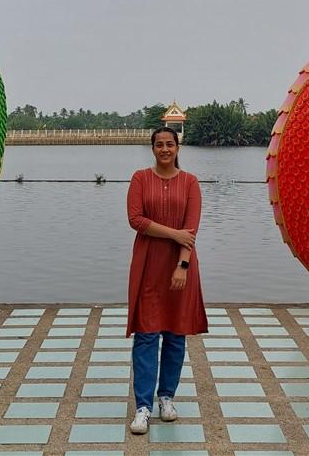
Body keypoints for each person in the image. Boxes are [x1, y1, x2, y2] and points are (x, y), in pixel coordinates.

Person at [125, 126, 208, 435]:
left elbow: (192, 228)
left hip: (180, 266)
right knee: (146, 334)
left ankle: (166, 398)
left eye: (169, 144)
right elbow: (136, 220)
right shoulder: (140, 179)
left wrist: (182, 266)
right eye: (159, 144)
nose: (164, 149)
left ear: (177, 147)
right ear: (152, 149)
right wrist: (174, 234)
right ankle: (143, 407)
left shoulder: (190, 183)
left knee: (175, 334)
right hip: (148, 265)